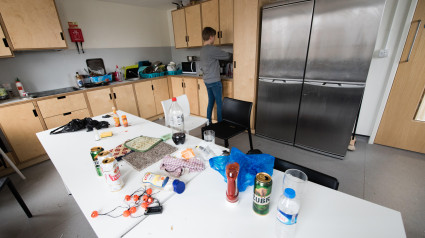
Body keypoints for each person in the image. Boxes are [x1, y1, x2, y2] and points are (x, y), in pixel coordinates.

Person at [200, 27, 232, 123]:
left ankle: (208, 122)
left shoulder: (202, 50)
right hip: (214, 81)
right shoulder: (211, 49)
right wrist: (237, 54)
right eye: (214, 37)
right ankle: (220, 124)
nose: (214, 39)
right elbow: (226, 56)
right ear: (211, 37)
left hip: (207, 81)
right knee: (219, 104)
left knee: (210, 102)